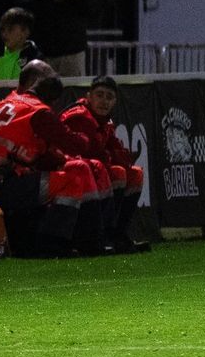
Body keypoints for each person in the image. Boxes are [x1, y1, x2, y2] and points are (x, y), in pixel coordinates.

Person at [0, 60, 105, 257]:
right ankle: (54, 243)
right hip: (7, 186)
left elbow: (28, 150)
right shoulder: (38, 112)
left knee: (73, 169)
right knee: (72, 179)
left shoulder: (0, 103)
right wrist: (85, 137)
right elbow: (75, 144)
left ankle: (85, 241)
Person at [60, 75, 148, 253]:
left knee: (134, 173)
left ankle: (117, 235)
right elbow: (92, 152)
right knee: (112, 171)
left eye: (109, 97)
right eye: (99, 95)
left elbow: (119, 154)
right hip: (69, 171)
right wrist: (112, 157)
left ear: (115, 102)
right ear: (89, 96)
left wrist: (115, 157)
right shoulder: (80, 117)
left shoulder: (105, 121)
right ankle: (99, 236)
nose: (104, 101)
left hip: (91, 170)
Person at [0, 6, 42, 81]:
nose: (4, 34)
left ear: (25, 32)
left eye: (10, 29)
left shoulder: (34, 58)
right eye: (3, 29)